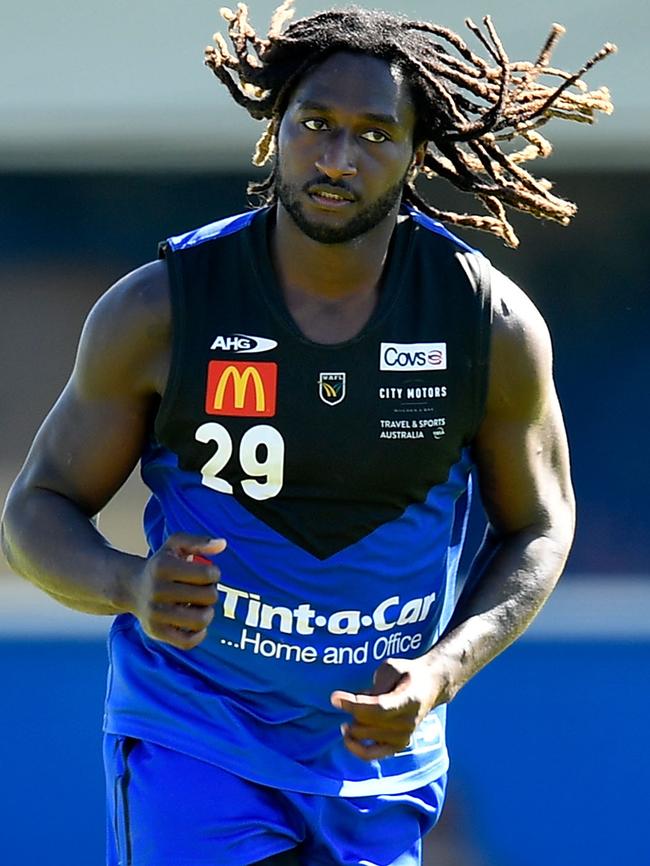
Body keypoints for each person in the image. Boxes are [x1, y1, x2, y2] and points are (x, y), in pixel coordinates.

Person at [1, 4, 615, 865]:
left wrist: (442, 672)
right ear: (274, 129)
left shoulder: (488, 325)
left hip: (374, 763)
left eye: (374, 134)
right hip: (198, 734)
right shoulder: (163, 309)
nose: (337, 158)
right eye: (315, 124)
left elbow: (542, 525)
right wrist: (127, 582)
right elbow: (36, 509)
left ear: (415, 154)